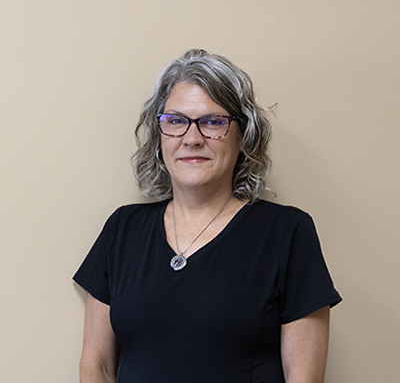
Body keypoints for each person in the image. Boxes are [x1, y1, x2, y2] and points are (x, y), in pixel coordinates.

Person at [73, 49, 342, 383]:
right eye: (176, 121)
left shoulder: (287, 232)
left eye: (213, 122)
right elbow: (96, 365)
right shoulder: (122, 229)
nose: (192, 138)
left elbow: (305, 377)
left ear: (243, 136)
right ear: (159, 136)